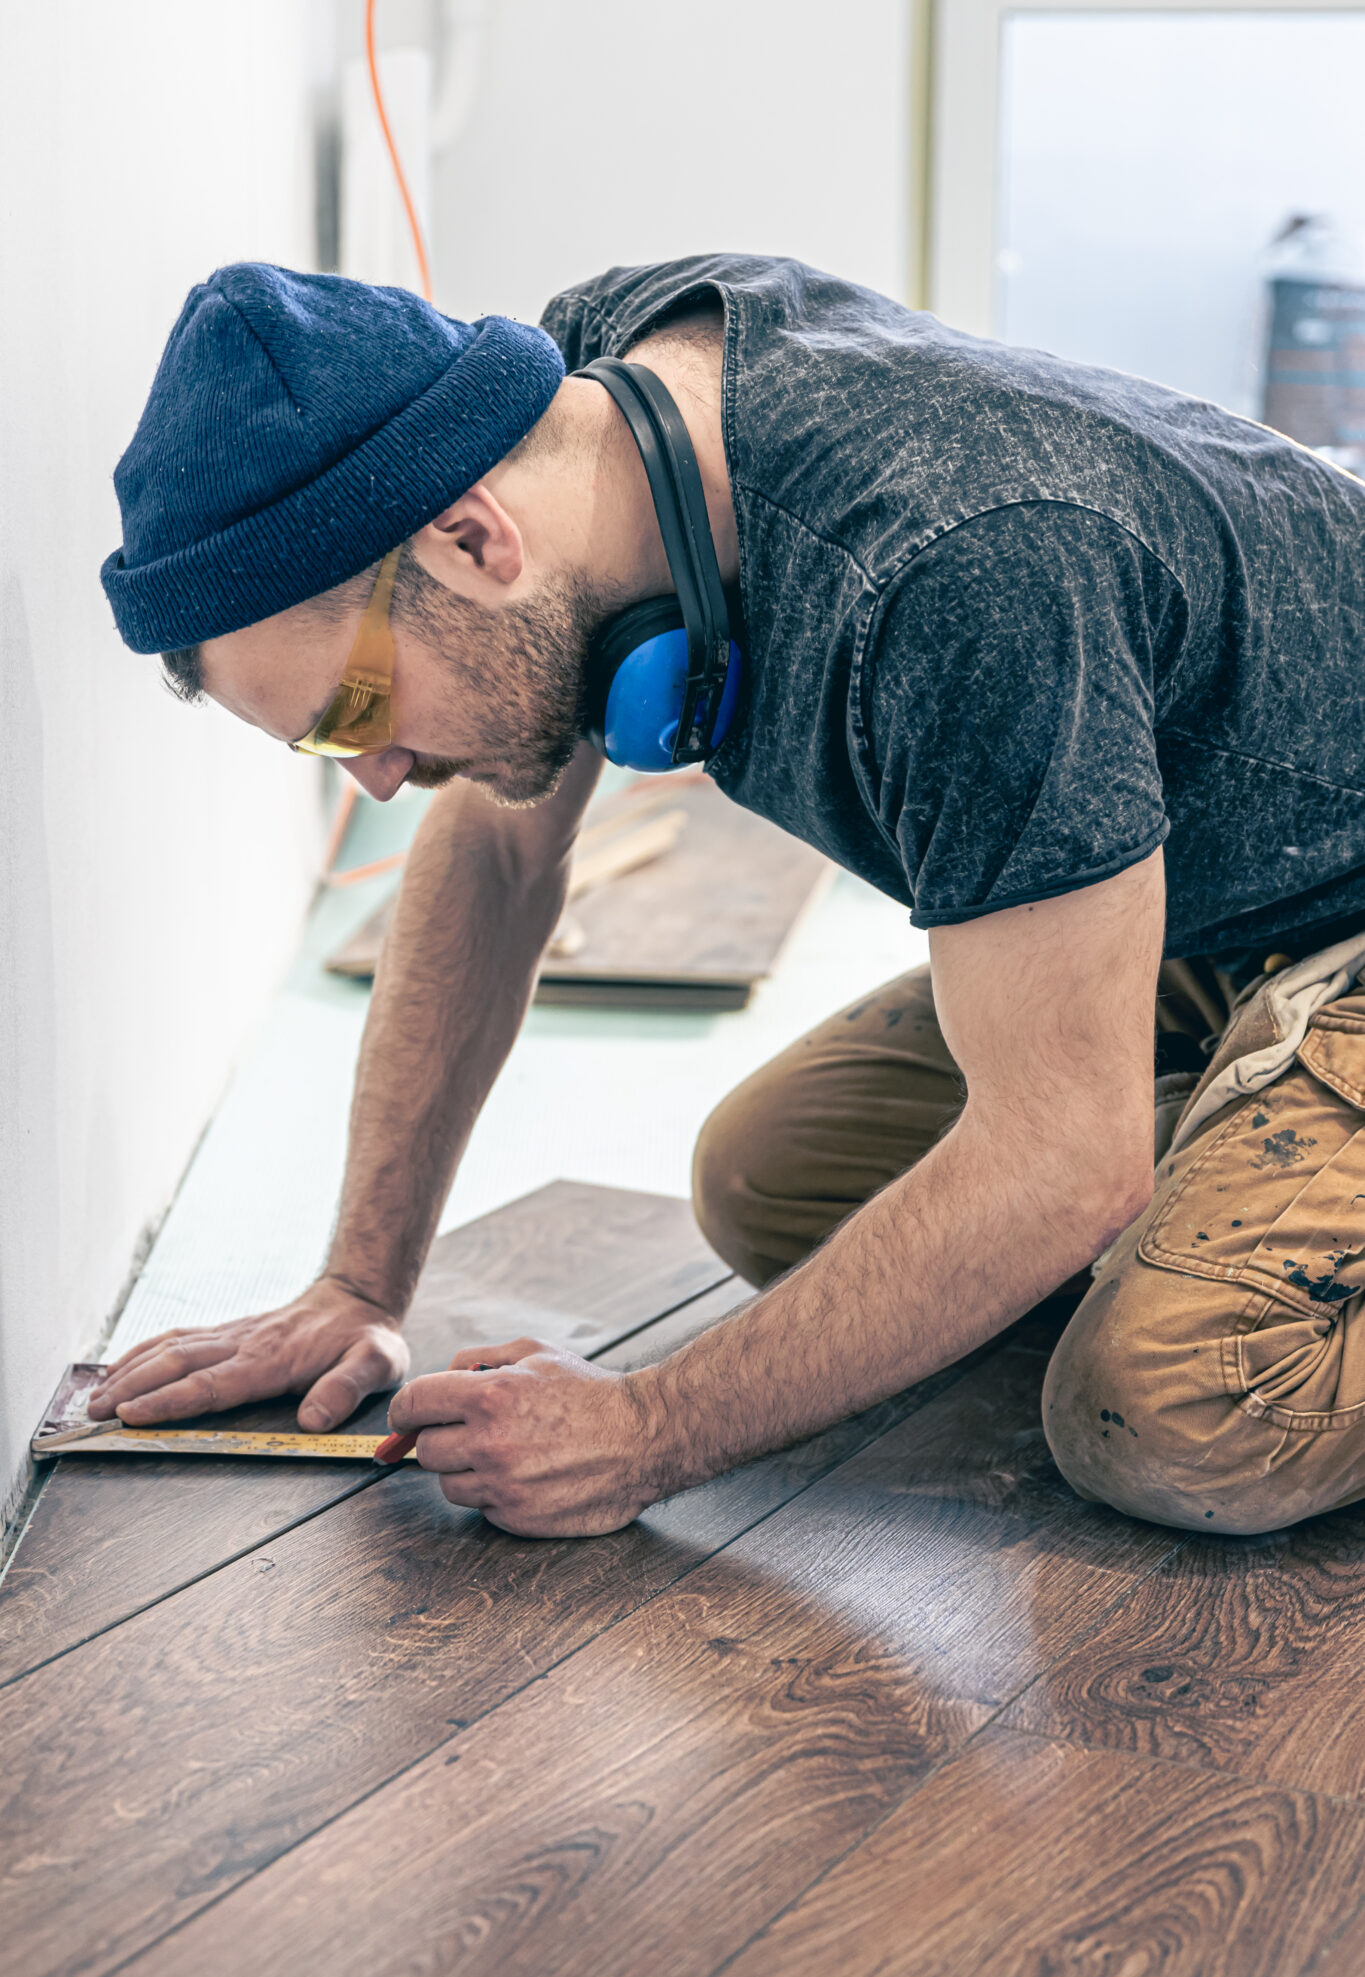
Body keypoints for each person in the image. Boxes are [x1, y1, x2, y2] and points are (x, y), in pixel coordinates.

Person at [93, 255, 1365, 1540]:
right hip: (1229, 907)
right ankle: (1242, 1142)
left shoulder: (958, 576)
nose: (372, 780)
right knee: (773, 1183)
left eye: (353, 714)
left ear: (473, 540)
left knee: (1174, 1405)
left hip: (1345, 909)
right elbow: (495, 849)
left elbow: (1066, 1166)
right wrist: (357, 1281)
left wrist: (646, 1431)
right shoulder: (584, 417)